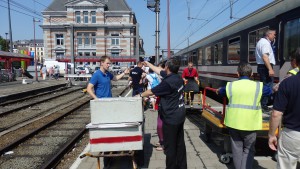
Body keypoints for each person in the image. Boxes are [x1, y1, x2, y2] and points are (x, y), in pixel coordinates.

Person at [216, 63, 272, 169]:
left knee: (237, 150)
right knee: (249, 149)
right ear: (251, 74)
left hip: (234, 123)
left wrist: (218, 90)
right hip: (250, 124)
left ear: (237, 74)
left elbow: (221, 92)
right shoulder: (258, 86)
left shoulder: (231, 86)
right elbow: (269, 91)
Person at [141, 59, 187, 169]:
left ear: (167, 68)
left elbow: (151, 91)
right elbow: (158, 70)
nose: (163, 68)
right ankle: (182, 166)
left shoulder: (167, 82)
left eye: (165, 66)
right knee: (180, 144)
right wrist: (148, 64)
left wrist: (139, 95)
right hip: (180, 115)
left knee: (170, 147)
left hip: (171, 118)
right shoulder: (177, 77)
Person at [268, 48, 300, 169]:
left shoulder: (288, 82)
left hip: (292, 134)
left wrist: (271, 135)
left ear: (296, 62)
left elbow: (276, 114)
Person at [255, 29, 276, 112]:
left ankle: (262, 104)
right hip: (265, 67)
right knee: (267, 86)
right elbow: (265, 57)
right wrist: (270, 69)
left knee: (264, 85)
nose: (275, 36)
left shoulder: (261, 42)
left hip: (262, 67)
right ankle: (263, 105)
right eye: (274, 34)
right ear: (269, 34)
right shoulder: (265, 43)